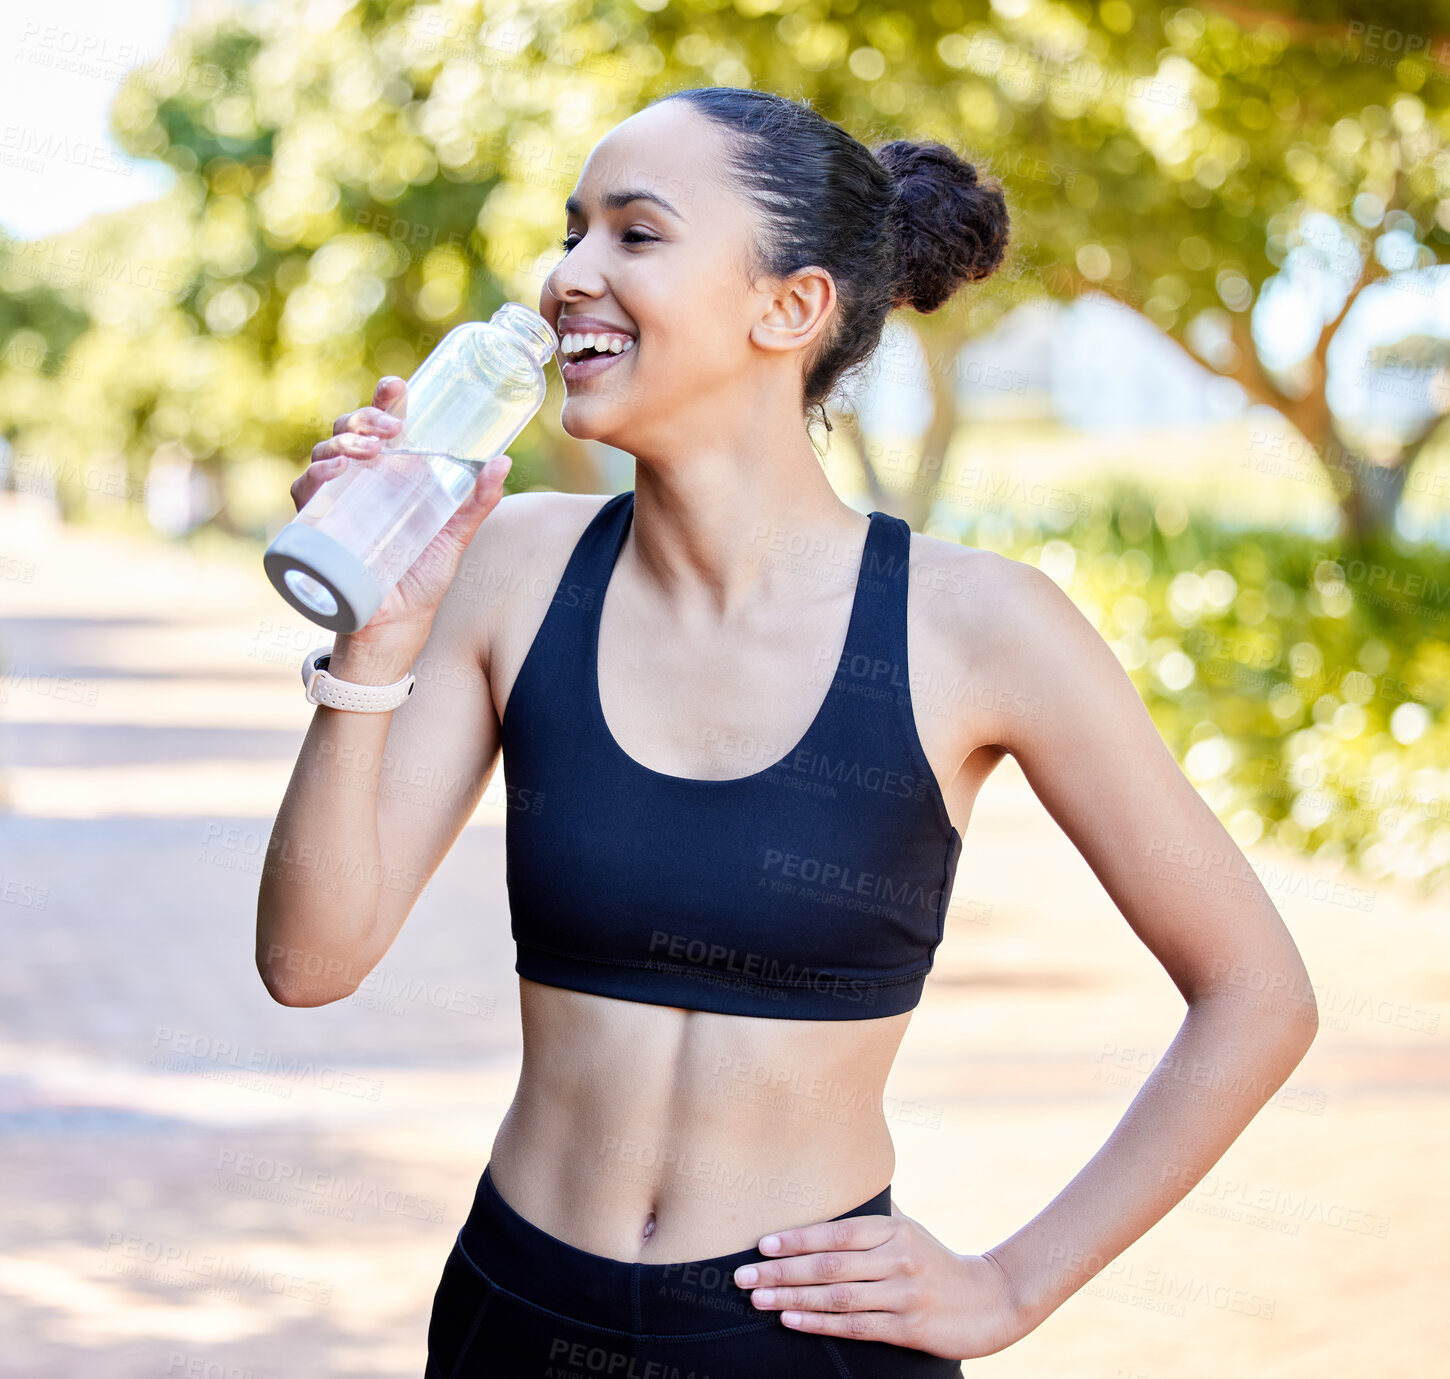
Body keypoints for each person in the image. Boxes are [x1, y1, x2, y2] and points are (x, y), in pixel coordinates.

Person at [257, 87, 1319, 1377]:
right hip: (514, 1318)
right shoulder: (512, 564)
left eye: (635, 235)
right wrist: (373, 635)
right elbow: (311, 962)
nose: (568, 274)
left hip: (803, 1341)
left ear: (791, 306)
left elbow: (1258, 992)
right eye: (572, 231)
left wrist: (1009, 1287)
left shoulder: (978, 626)